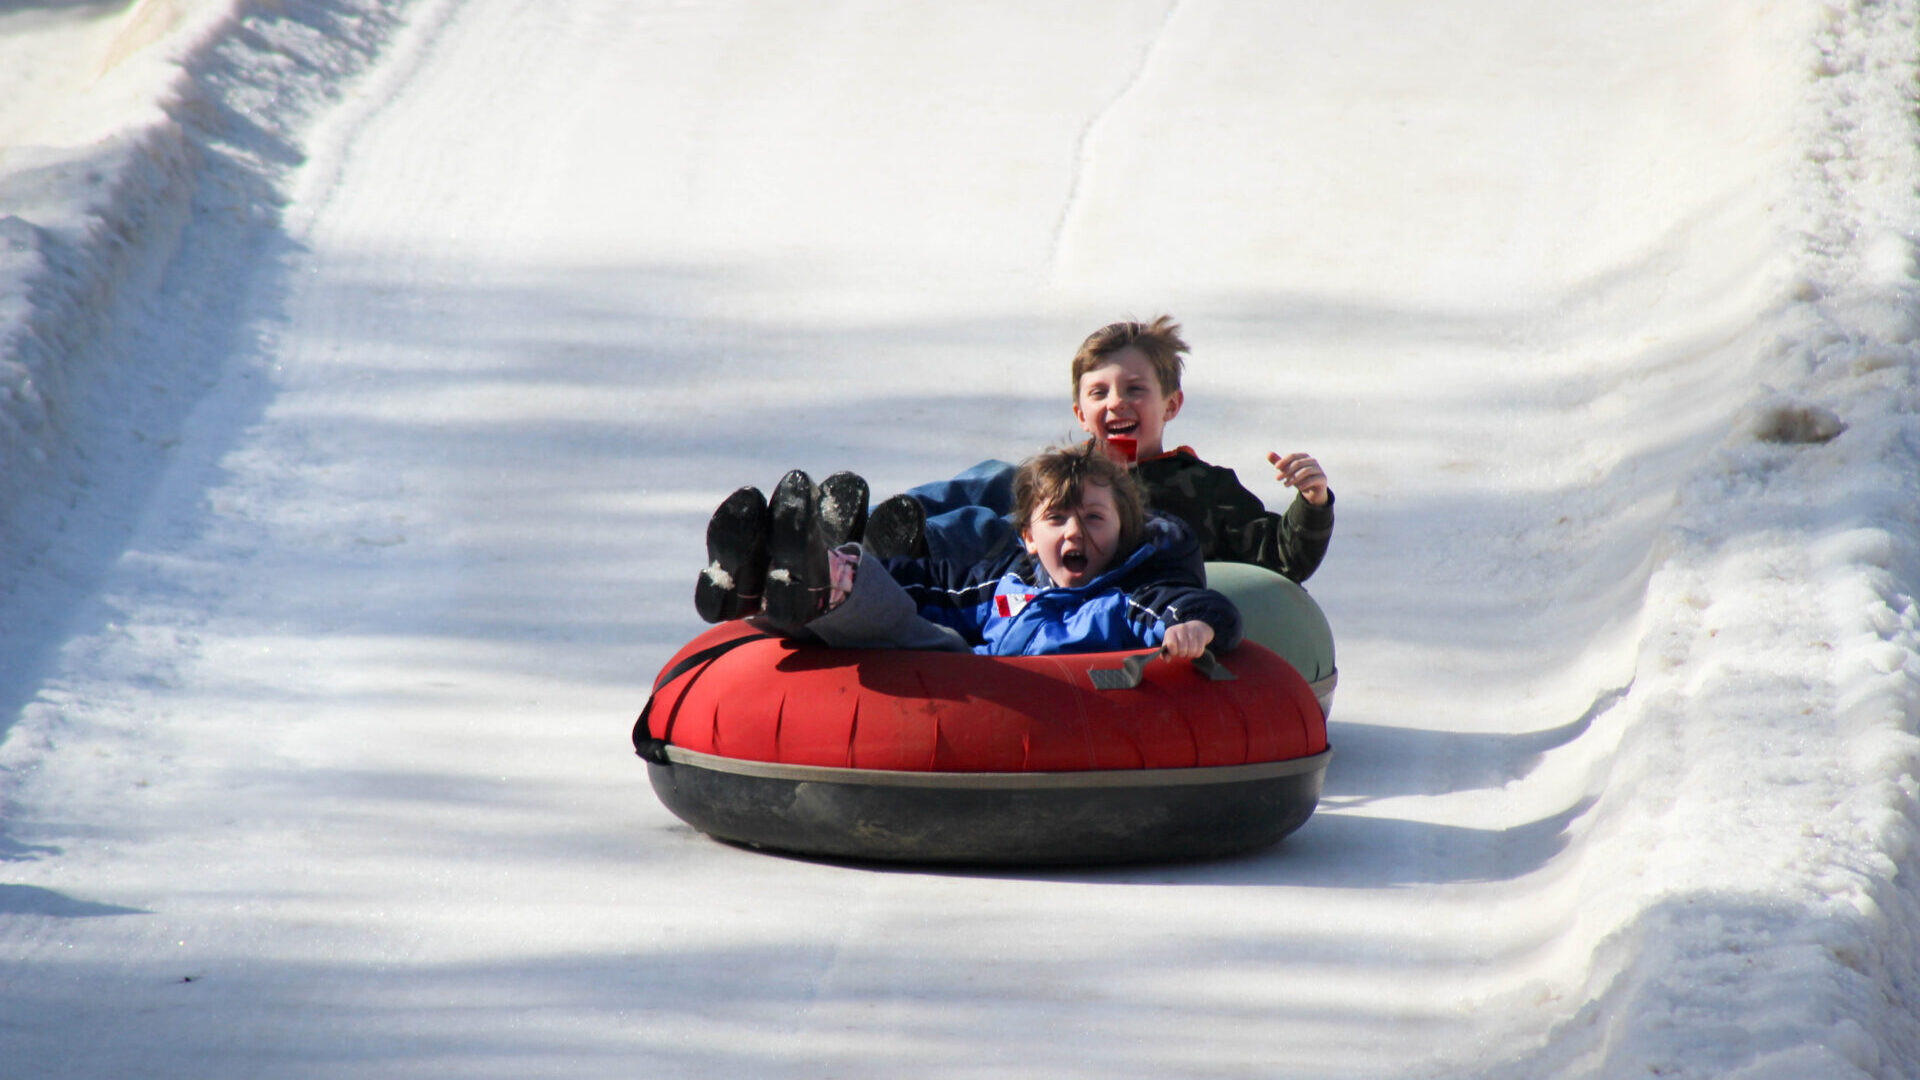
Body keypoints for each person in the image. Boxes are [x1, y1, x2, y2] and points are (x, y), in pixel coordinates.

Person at [862, 316, 1335, 581]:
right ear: (1079, 414)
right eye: (1099, 393)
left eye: (1135, 390)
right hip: (1035, 577)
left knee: (1006, 520)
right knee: (1004, 480)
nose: (1117, 404)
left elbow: (1280, 557)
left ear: (1171, 406)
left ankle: (897, 546)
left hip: (1123, 594)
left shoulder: (1203, 485)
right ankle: (867, 532)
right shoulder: (1062, 476)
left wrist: (1311, 503)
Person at [695, 443, 1239, 659]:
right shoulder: (1009, 584)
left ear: (1122, 532)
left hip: (1015, 695)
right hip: (986, 682)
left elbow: (1182, 603)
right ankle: (774, 584)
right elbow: (936, 587)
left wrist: (1191, 628)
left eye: (1095, 519)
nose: (1075, 533)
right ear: (1028, 537)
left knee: (933, 645)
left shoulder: (1124, 597)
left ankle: (820, 585)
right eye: (1056, 520)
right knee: (911, 613)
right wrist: (880, 572)